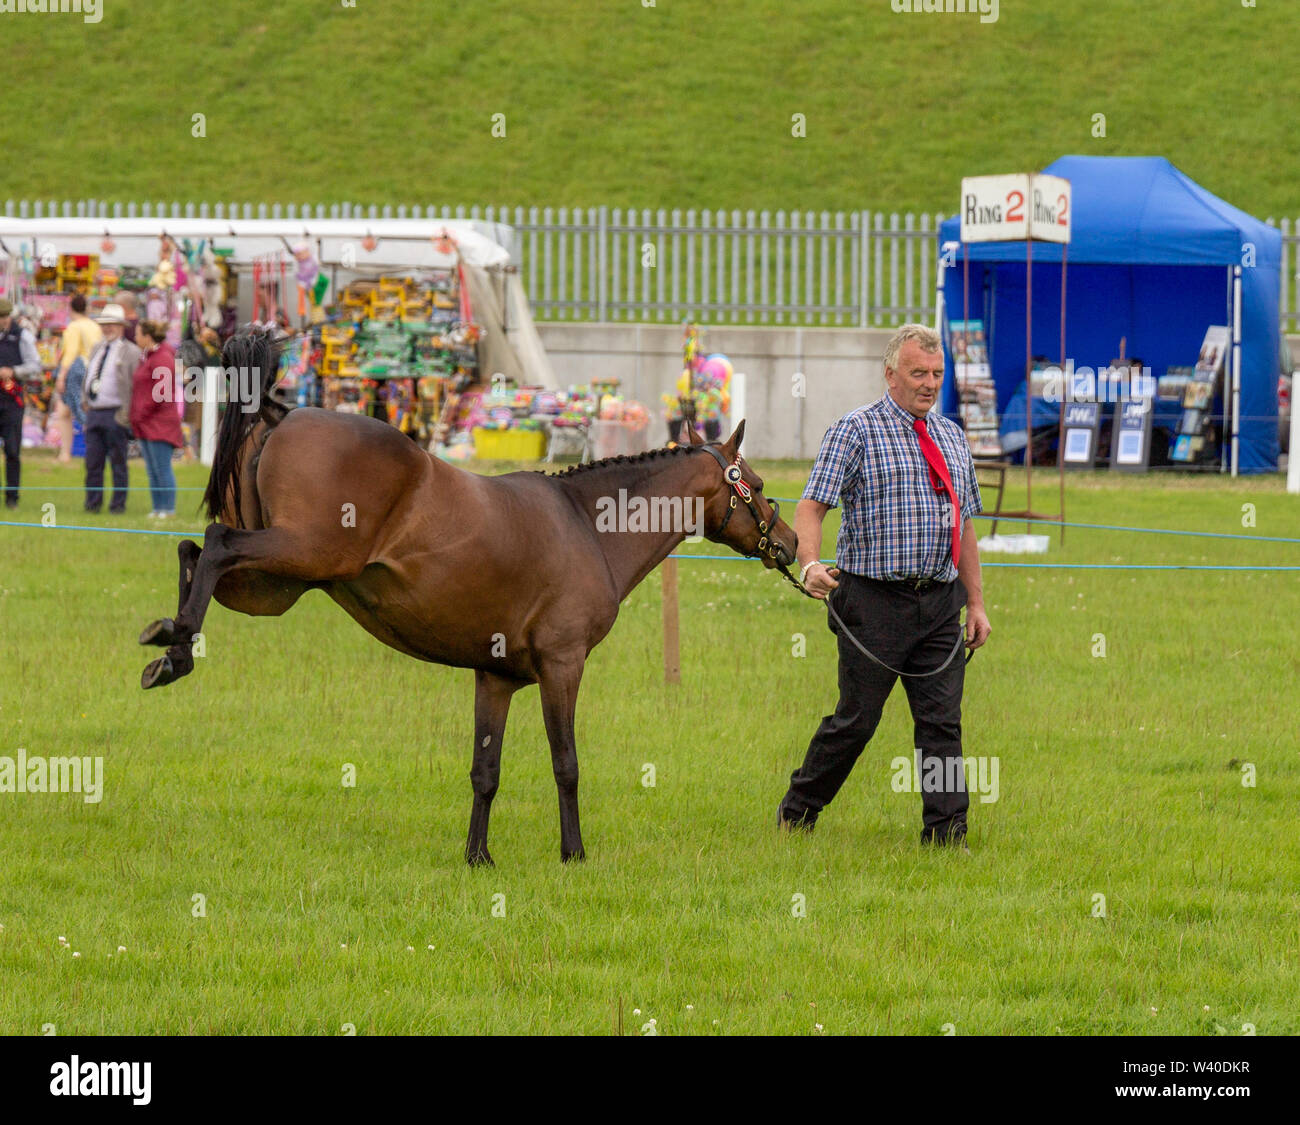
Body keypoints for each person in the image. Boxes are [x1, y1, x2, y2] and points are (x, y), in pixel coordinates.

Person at [778, 324, 993, 848]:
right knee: (857, 721)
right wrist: (809, 564)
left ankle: (947, 835)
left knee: (942, 723)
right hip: (872, 603)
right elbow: (812, 505)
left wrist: (977, 603)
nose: (929, 383)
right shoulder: (854, 430)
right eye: (919, 372)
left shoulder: (951, 435)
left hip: (940, 602)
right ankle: (798, 811)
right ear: (891, 373)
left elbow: (964, 524)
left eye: (937, 373)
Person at [82, 303, 141, 514]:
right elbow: (89, 375)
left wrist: (127, 415)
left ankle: (117, 505)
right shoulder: (98, 347)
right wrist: (84, 399)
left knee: (118, 463)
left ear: (121, 326)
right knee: (92, 462)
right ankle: (92, 503)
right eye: (105, 325)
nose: (107, 329)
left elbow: (136, 386)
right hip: (95, 411)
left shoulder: (131, 352)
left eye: (112, 325)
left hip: (116, 412)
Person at [129, 320, 182, 519]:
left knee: (162, 467)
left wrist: (143, 410)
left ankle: (168, 509)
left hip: (160, 423)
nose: (135, 337)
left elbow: (162, 391)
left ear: (147, 336)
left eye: (137, 333)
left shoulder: (162, 358)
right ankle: (157, 507)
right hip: (145, 422)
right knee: (152, 469)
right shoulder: (147, 357)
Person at [0, 297, 44, 509]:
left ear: (7, 317)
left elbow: (35, 365)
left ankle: (12, 498)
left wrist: (14, 371)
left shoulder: (22, 336)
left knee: (12, 452)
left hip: (11, 401)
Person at [54, 293, 103, 464]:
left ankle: (67, 453)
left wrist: (61, 375)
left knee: (69, 413)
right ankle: (76, 452)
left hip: (75, 373)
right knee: (75, 412)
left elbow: (71, 353)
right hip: (93, 372)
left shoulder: (73, 327)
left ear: (71, 308)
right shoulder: (95, 326)